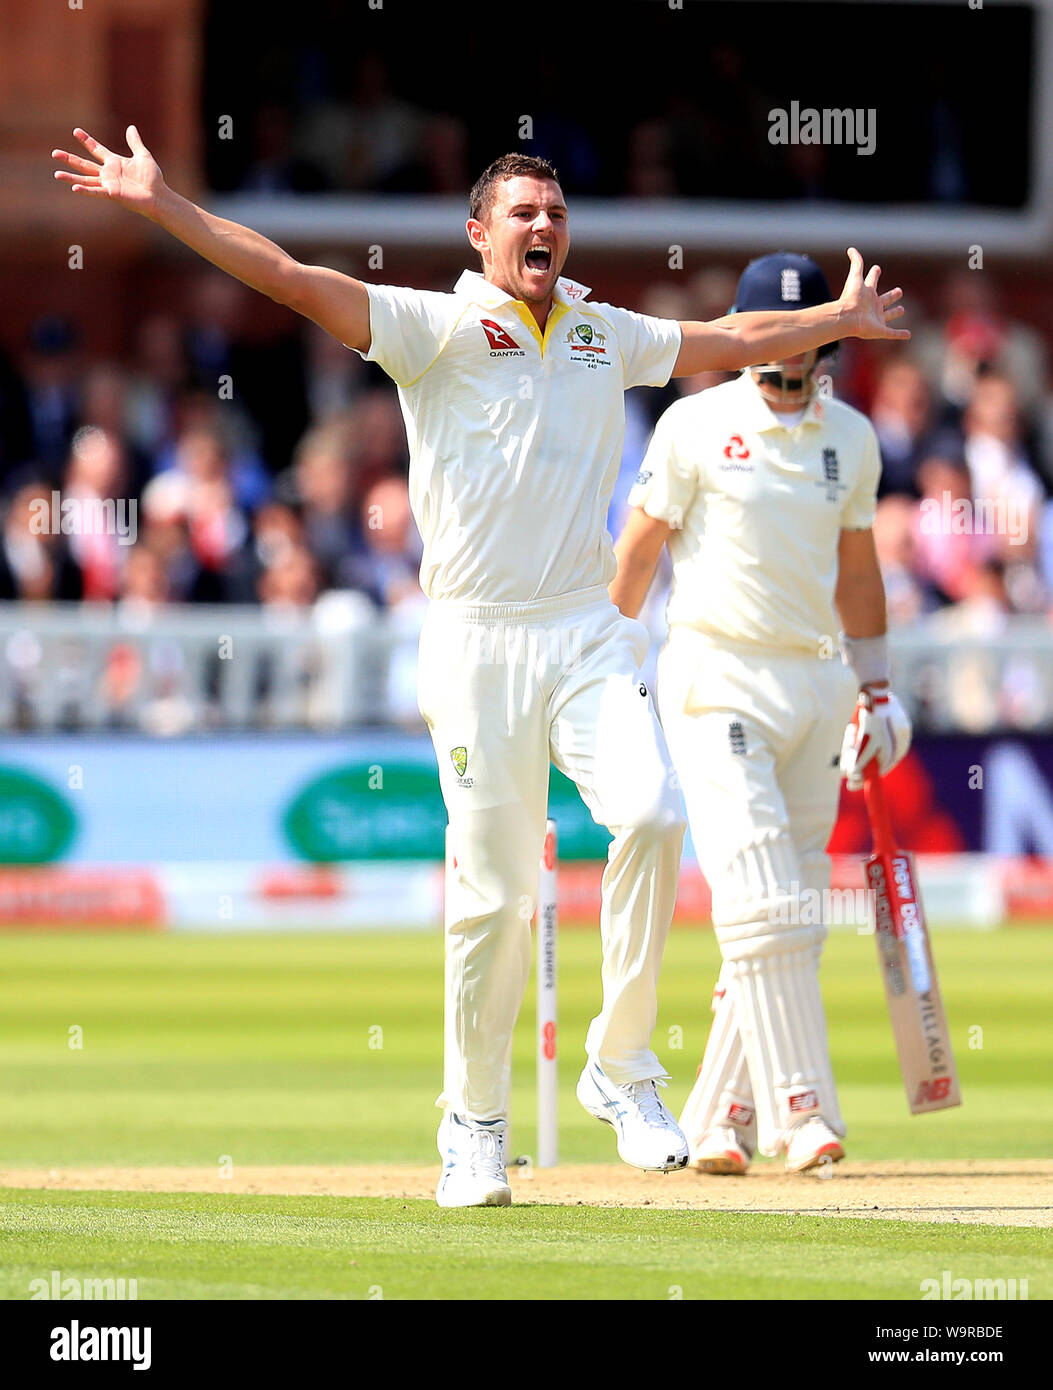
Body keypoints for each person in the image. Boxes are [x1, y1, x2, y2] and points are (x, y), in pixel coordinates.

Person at [53, 128, 909, 1205]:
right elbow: (287, 276)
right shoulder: (435, 326)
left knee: (648, 814)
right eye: (522, 215)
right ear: (478, 235)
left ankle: (622, 1063)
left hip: (586, 628)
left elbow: (730, 336)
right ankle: (475, 1122)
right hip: (473, 639)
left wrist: (836, 319)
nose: (543, 227)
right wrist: (165, 203)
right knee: (497, 900)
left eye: (555, 213)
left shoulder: (604, 331)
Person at [611, 253, 913, 1175]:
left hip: (816, 687)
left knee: (785, 915)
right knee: (767, 902)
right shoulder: (694, 424)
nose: (789, 356)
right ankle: (800, 1111)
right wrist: (600, 667)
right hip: (714, 676)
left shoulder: (852, 439)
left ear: (826, 341)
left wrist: (876, 686)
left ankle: (715, 1118)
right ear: (748, 337)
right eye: (773, 334)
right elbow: (636, 557)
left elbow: (857, 572)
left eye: (808, 336)